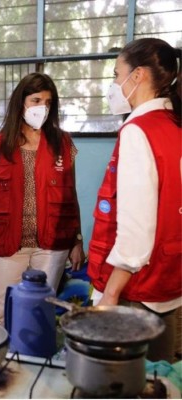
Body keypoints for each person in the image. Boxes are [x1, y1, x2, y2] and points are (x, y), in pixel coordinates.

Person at [88, 38, 181, 362]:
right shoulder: (174, 126)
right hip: (169, 280)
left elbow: (137, 228)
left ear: (138, 75)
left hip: (136, 288)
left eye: (117, 74)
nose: (114, 84)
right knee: (159, 378)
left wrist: (110, 293)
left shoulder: (139, 130)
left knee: (122, 380)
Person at [0, 72, 85, 324]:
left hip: (52, 244)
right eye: (36, 100)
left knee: (40, 310)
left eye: (48, 102)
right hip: (10, 242)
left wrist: (77, 240)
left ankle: (31, 360)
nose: (42, 107)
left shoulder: (63, 143)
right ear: (21, 102)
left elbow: (70, 193)